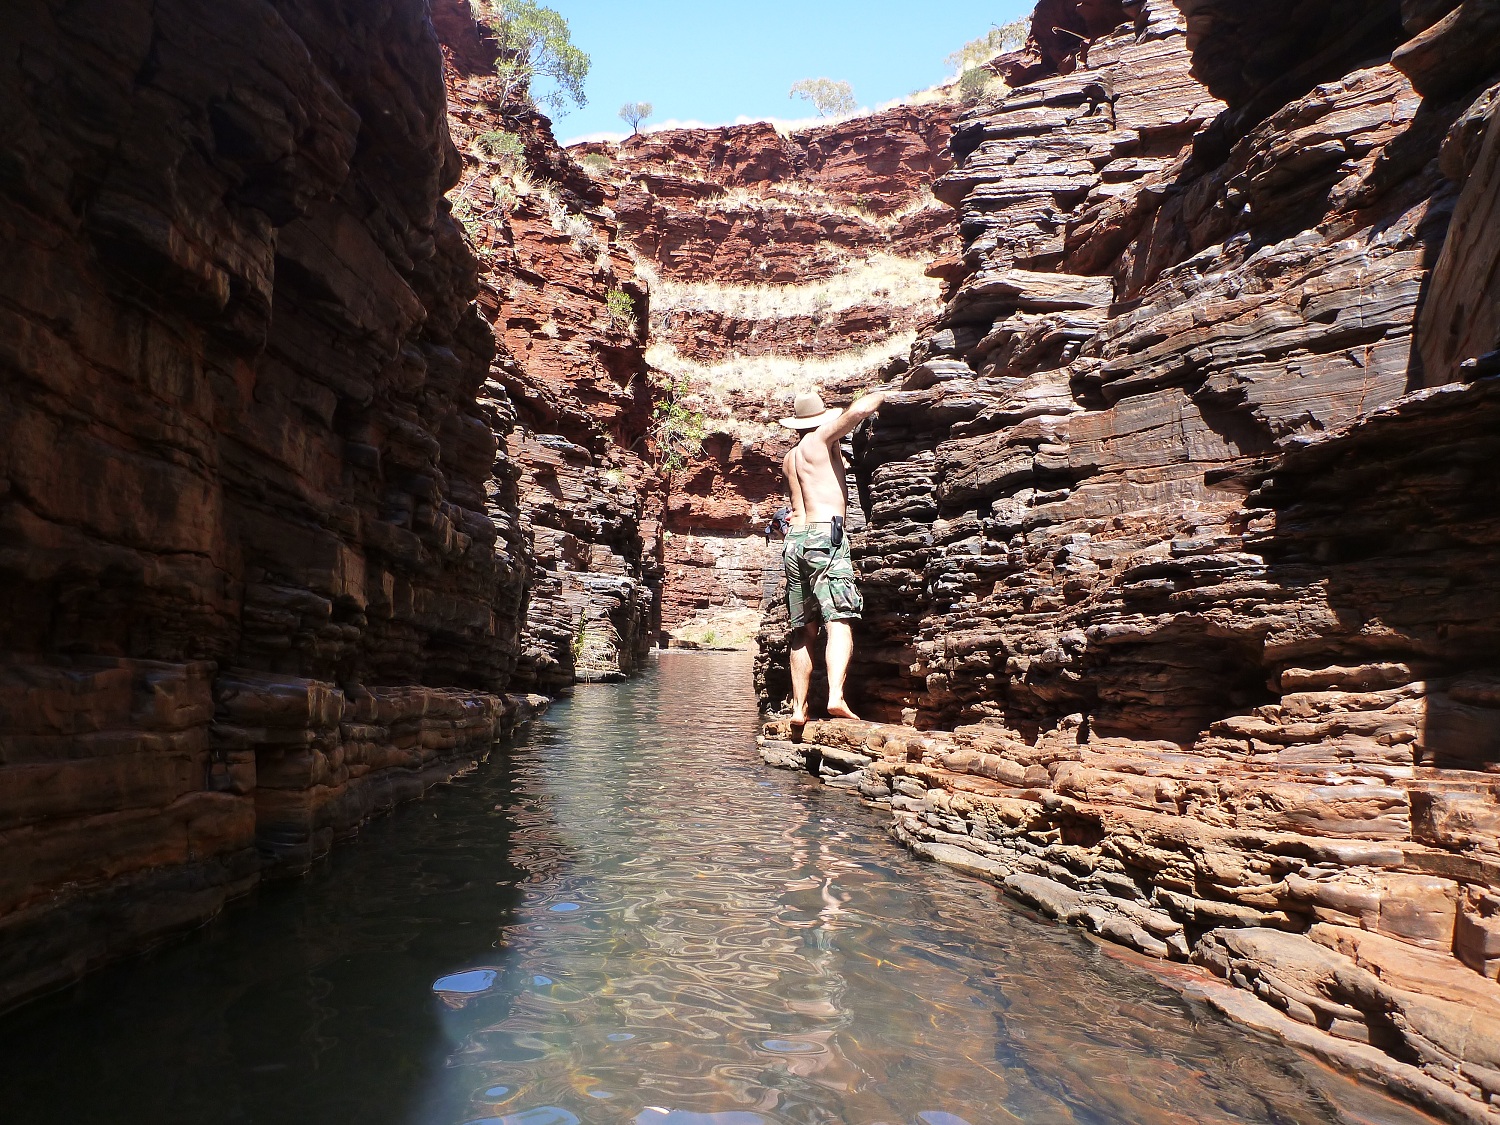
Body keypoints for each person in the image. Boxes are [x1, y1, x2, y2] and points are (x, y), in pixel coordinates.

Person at [778, 387, 887, 723]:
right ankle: (836, 697)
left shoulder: (790, 458)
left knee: (803, 630)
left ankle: (798, 709)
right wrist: (888, 390)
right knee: (839, 618)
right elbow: (858, 412)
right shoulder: (819, 440)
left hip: (793, 541)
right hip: (825, 536)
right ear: (819, 420)